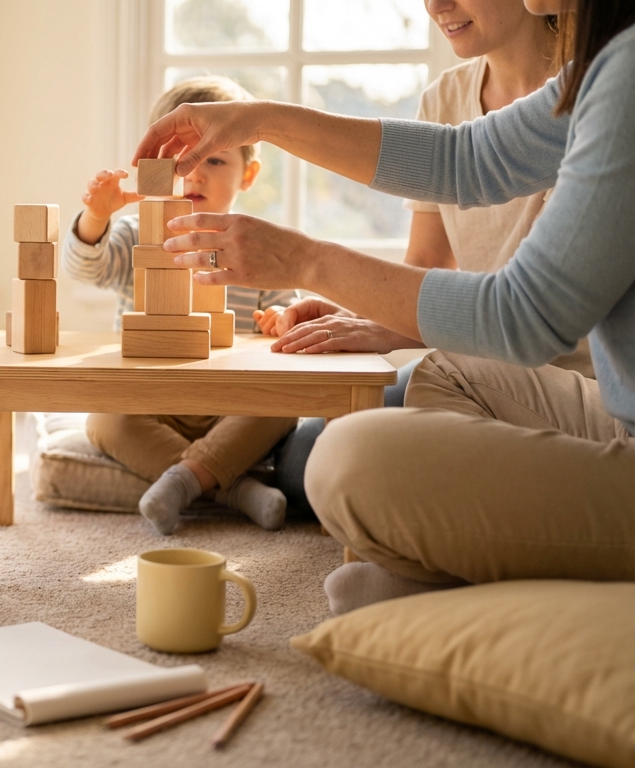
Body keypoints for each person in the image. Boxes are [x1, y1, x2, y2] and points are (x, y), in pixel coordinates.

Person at [130, 0, 635, 612]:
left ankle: (500, 592)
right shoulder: (607, 65)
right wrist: (259, 119)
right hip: (614, 415)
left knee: (346, 460)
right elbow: (466, 159)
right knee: (431, 378)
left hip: (598, 406)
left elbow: (522, 315)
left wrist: (304, 260)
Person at [256, 0, 594, 379]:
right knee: (315, 422)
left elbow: (520, 313)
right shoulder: (446, 95)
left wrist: (307, 262)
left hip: (569, 385)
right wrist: (367, 314)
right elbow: (429, 260)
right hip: (480, 365)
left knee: (342, 426)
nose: (436, 6)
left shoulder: (594, 94)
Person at [61, 76, 300, 535]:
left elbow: (288, 305)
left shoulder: (254, 244)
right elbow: (85, 268)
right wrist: (97, 215)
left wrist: (280, 318)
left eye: (214, 158)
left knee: (283, 407)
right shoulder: (135, 234)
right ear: (154, 166)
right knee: (105, 418)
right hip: (152, 400)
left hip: (231, 405)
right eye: (180, 160)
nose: (194, 173)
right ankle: (230, 489)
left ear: (246, 174)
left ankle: (195, 479)